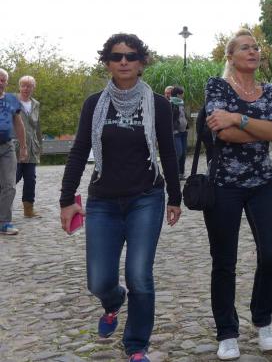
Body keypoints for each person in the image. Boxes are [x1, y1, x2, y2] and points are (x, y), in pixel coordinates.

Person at [60, 34, 182, 362]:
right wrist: (66, 199)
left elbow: (168, 152)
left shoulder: (158, 104)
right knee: (99, 282)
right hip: (103, 202)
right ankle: (114, 301)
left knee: (139, 275)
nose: (124, 61)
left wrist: (175, 196)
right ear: (108, 63)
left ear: (142, 62)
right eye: (117, 56)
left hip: (146, 198)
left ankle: (136, 345)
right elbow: (79, 151)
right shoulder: (94, 104)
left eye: (131, 56)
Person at [202, 28, 272, 360]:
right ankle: (227, 332)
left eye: (255, 47)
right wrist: (260, 129)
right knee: (224, 261)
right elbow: (222, 133)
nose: (253, 51)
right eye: (244, 48)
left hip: (264, 182)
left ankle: (263, 319)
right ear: (230, 56)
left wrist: (238, 117)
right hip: (224, 184)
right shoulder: (217, 86)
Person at [0, 68, 27, 236]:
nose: (0, 82)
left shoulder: (11, 99)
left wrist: (23, 147)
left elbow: (18, 123)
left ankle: (4, 222)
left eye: (3, 80)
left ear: (6, 83)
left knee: (9, 185)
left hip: (7, 147)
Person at [15, 75, 42, 218]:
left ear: (33, 88)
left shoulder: (36, 104)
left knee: (30, 179)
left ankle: (28, 209)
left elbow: (37, 127)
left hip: (32, 148)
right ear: (19, 87)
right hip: (15, 148)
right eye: (23, 85)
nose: (26, 88)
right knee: (13, 178)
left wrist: (40, 147)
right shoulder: (11, 101)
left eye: (29, 86)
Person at [169, 85, 189, 179]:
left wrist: (187, 126)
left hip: (184, 131)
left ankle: (181, 173)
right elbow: (171, 119)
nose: (183, 95)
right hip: (176, 132)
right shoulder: (171, 103)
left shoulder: (181, 103)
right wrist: (174, 129)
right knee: (178, 153)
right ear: (178, 94)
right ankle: (173, 174)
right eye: (182, 94)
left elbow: (183, 116)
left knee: (183, 153)